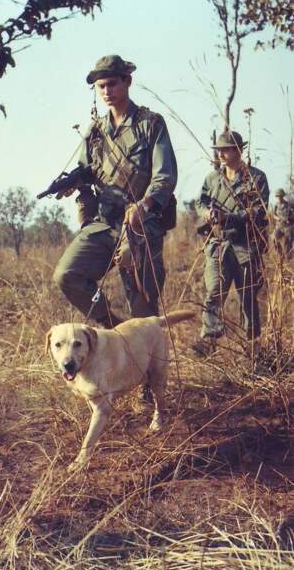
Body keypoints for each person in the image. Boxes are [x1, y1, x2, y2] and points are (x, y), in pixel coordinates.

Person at [53, 55, 178, 328]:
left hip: (139, 225)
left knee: (143, 307)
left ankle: (145, 360)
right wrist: (81, 197)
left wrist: (143, 206)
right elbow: (86, 175)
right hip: (104, 222)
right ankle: (113, 328)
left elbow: (165, 176)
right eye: (100, 87)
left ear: (127, 82)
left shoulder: (150, 123)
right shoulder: (96, 131)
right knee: (67, 275)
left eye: (112, 84)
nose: (106, 92)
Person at [192, 131, 269, 356]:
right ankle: (209, 340)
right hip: (218, 245)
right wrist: (207, 213)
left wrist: (230, 217)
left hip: (246, 246)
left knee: (247, 296)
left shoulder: (256, 177)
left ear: (238, 150)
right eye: (219, 150)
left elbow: (259, 211)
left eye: (225, 149)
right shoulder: (212, 178)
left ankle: (253, 345)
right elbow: (200, 201)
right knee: (214, 291)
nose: (221, 154)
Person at [272, 187, 294, 259]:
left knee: (287, 245)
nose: (279, 197)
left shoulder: (288, 204)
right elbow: (273, 215)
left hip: (288, 227)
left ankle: (289, 261)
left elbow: (293, 215)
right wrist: (278, 218)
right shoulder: (275, 205)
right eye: (278, 196)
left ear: (282, 196)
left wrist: (288, 217)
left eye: (280, 196)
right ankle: (280, 255)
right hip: (279, 226)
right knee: (274, 239)